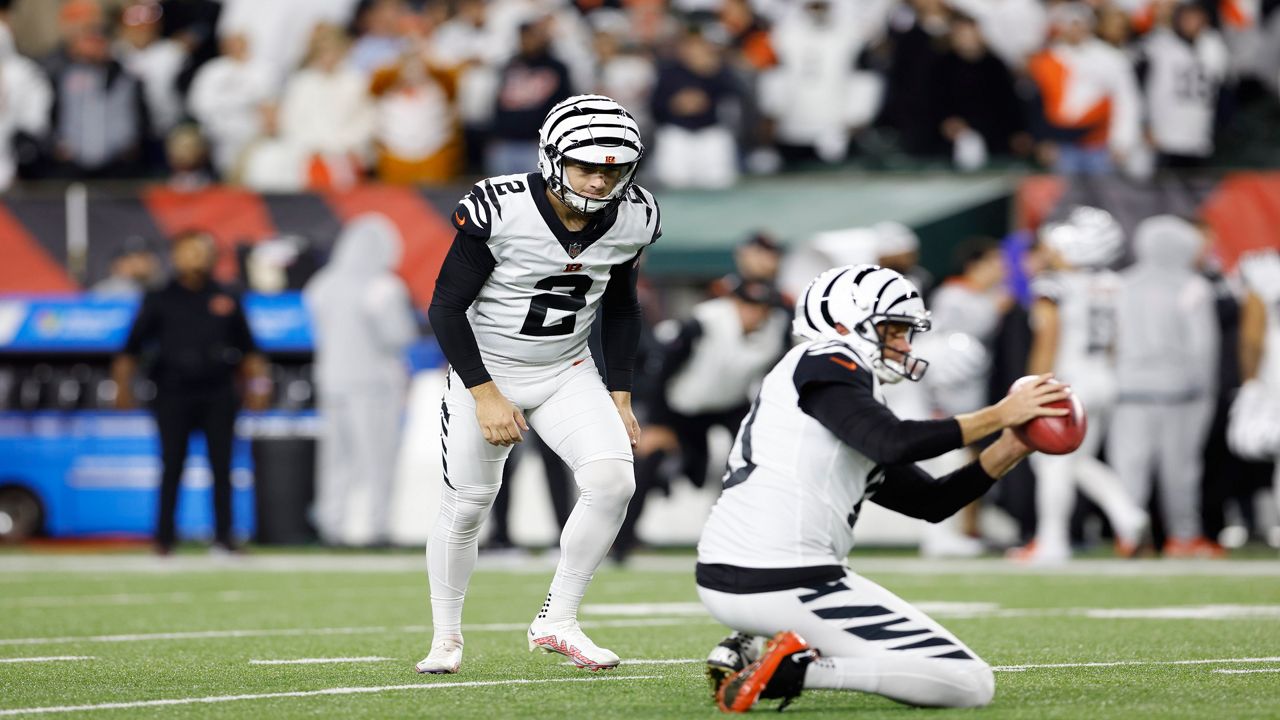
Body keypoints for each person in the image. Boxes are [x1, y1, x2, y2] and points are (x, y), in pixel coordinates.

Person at [697, 264, 1068, 712]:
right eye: (892, 330)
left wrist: (1013, 444)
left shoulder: (834, 388)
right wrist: (1000, 414)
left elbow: (932, 502)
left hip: (740, 575)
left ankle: (751, 641)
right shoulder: (826, 358)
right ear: (842, 322)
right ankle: (798, 667)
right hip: (783, 579)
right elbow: (892, 442)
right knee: (969, 682)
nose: (903, 345)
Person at [419, 94, 660, 674]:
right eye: (587, 166)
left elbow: (623, 308)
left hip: (566, 369)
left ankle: (559, 620)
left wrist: (620, 395)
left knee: (612, 481)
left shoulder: (635, 215)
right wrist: (484, 393)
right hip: (489, 366)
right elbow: (445, 308)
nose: (602, 180)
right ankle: (446, 636)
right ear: (553, 159)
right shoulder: (500, 208)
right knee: (470, 503)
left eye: (614, 168)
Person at [111, 230, 272, 555]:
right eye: (189, 251)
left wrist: (258, 388)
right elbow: (130, 349)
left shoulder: (227, 297)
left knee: (222, 467)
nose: (195, 257)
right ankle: (164, 539)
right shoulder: (160, 298)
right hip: (173, 392)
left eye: (202, 251)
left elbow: (251, 351)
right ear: (175, 255)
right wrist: (122, 389)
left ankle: (224, 538)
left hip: (218, 392)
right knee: (171, 465)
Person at [614, 276, 790, 563]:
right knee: (651, 458)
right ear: (733, 302)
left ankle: (743, 539)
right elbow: (660, 369)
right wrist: (656, 422)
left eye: (761, 307)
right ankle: (620, 543)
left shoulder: (778, 328)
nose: (754, 314)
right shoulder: (702, 323)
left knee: (756, 460)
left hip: (730, 405)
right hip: (680, 407)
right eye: (747, 305)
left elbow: (780, 374)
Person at [1010, 207, 1148, 564]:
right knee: (1079, 460)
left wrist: (1033, 387)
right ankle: (1127, 515)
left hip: (1067, 379)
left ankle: (1051, 541)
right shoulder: (1113, 283)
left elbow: (1048, 338)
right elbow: (1116, 339)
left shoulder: (1053, 285)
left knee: (1051, 464)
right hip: (1103, 377)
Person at [1108, 216, 1220, 557]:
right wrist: (1206, 391)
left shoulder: (1119, 284)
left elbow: (1109, 340)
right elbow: (1204, 348)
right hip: (1181, 392)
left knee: (1128, 465)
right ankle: (1183, 537)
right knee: (1181, 468)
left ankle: (1128, 534)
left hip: (1127, 390)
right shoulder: (1194, 287)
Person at [303, 214, 417, 547]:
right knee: (379, 457)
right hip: (374, 384)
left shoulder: (321, 284)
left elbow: (318, 328)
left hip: (331, 380)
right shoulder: (383, 287)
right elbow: (398, 336)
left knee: (335, 457)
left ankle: (331, 524)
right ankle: (377, 526)